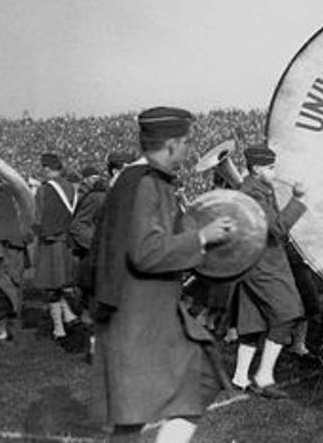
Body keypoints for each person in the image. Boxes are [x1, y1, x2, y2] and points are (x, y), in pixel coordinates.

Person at [93, 106, 235, 443]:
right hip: (140, 317)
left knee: (192, 383)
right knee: (135, 416)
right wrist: (201, 237)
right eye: (185, 144)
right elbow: (146, 252)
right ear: (171, 144)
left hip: (146, 313)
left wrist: (200, 227)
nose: (187, 151)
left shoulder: (142, 181)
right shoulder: (144, 185)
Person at [229, 144, 308, 399]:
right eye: (270, 167)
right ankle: (263, 377)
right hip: (265, 263)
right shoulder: (254, 192)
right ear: (256, 168)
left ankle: (240, 376)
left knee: (254, 319)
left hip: (254, 261)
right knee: (288, 313)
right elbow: (276, 229)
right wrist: (297, 200)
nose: (274, 172)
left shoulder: (256, 188)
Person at [33, 152, 80, 342]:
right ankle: (69, 315)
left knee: (50, 285)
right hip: (67, 242)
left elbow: (36, 218)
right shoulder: (70, 187)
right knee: (59, 283)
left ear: (47, 168)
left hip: (50, 242)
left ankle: (59, 328)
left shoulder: (44, 190)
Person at [0, 173, 33, 348]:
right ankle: (1, 329)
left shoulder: (0, 195)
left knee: (0, 289)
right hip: (14, 247)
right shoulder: (19, 196)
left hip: (2, 248)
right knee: (10, 288)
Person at [69, 165, 107, 361]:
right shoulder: (98, 197)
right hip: (96, 261)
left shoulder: (116, 194)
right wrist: (99, 244)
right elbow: (77, 226)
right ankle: (91, 347)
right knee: (95, 306)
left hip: (107, 261)